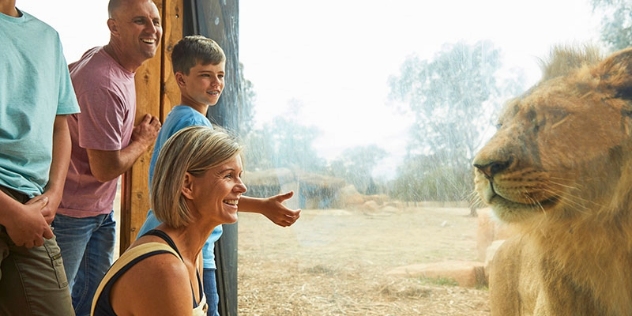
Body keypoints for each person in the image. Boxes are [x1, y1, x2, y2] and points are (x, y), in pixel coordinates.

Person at [136, 35, 301, 316]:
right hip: (187, 243)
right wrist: (261, 206)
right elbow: (201, 190)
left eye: (220, 75)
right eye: (205, 75)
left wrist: (261, 206)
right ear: (181, 79)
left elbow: (206, 189)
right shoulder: (194, 124)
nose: (216, 83)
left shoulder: (180, 117)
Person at [52, 1, 162, 315]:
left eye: (155, 20)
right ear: (113, 27)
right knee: (57, 306)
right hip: (70, 214)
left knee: (93, 302)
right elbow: (105, 168)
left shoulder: (107, 62)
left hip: (96, 209)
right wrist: (142, 141)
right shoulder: (103, 82)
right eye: (140, 21)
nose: (152, 29)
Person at [92, 126, 245, 315]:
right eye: (228, 175)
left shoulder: (188, 253)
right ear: (187, 185)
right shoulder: (165, 268)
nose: (242, 187)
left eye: (240, 176)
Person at [0, 1, 80, 315]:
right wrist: (9, 213)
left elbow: (61, 126)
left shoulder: (48, 38)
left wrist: (54, 195)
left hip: (33, 209)